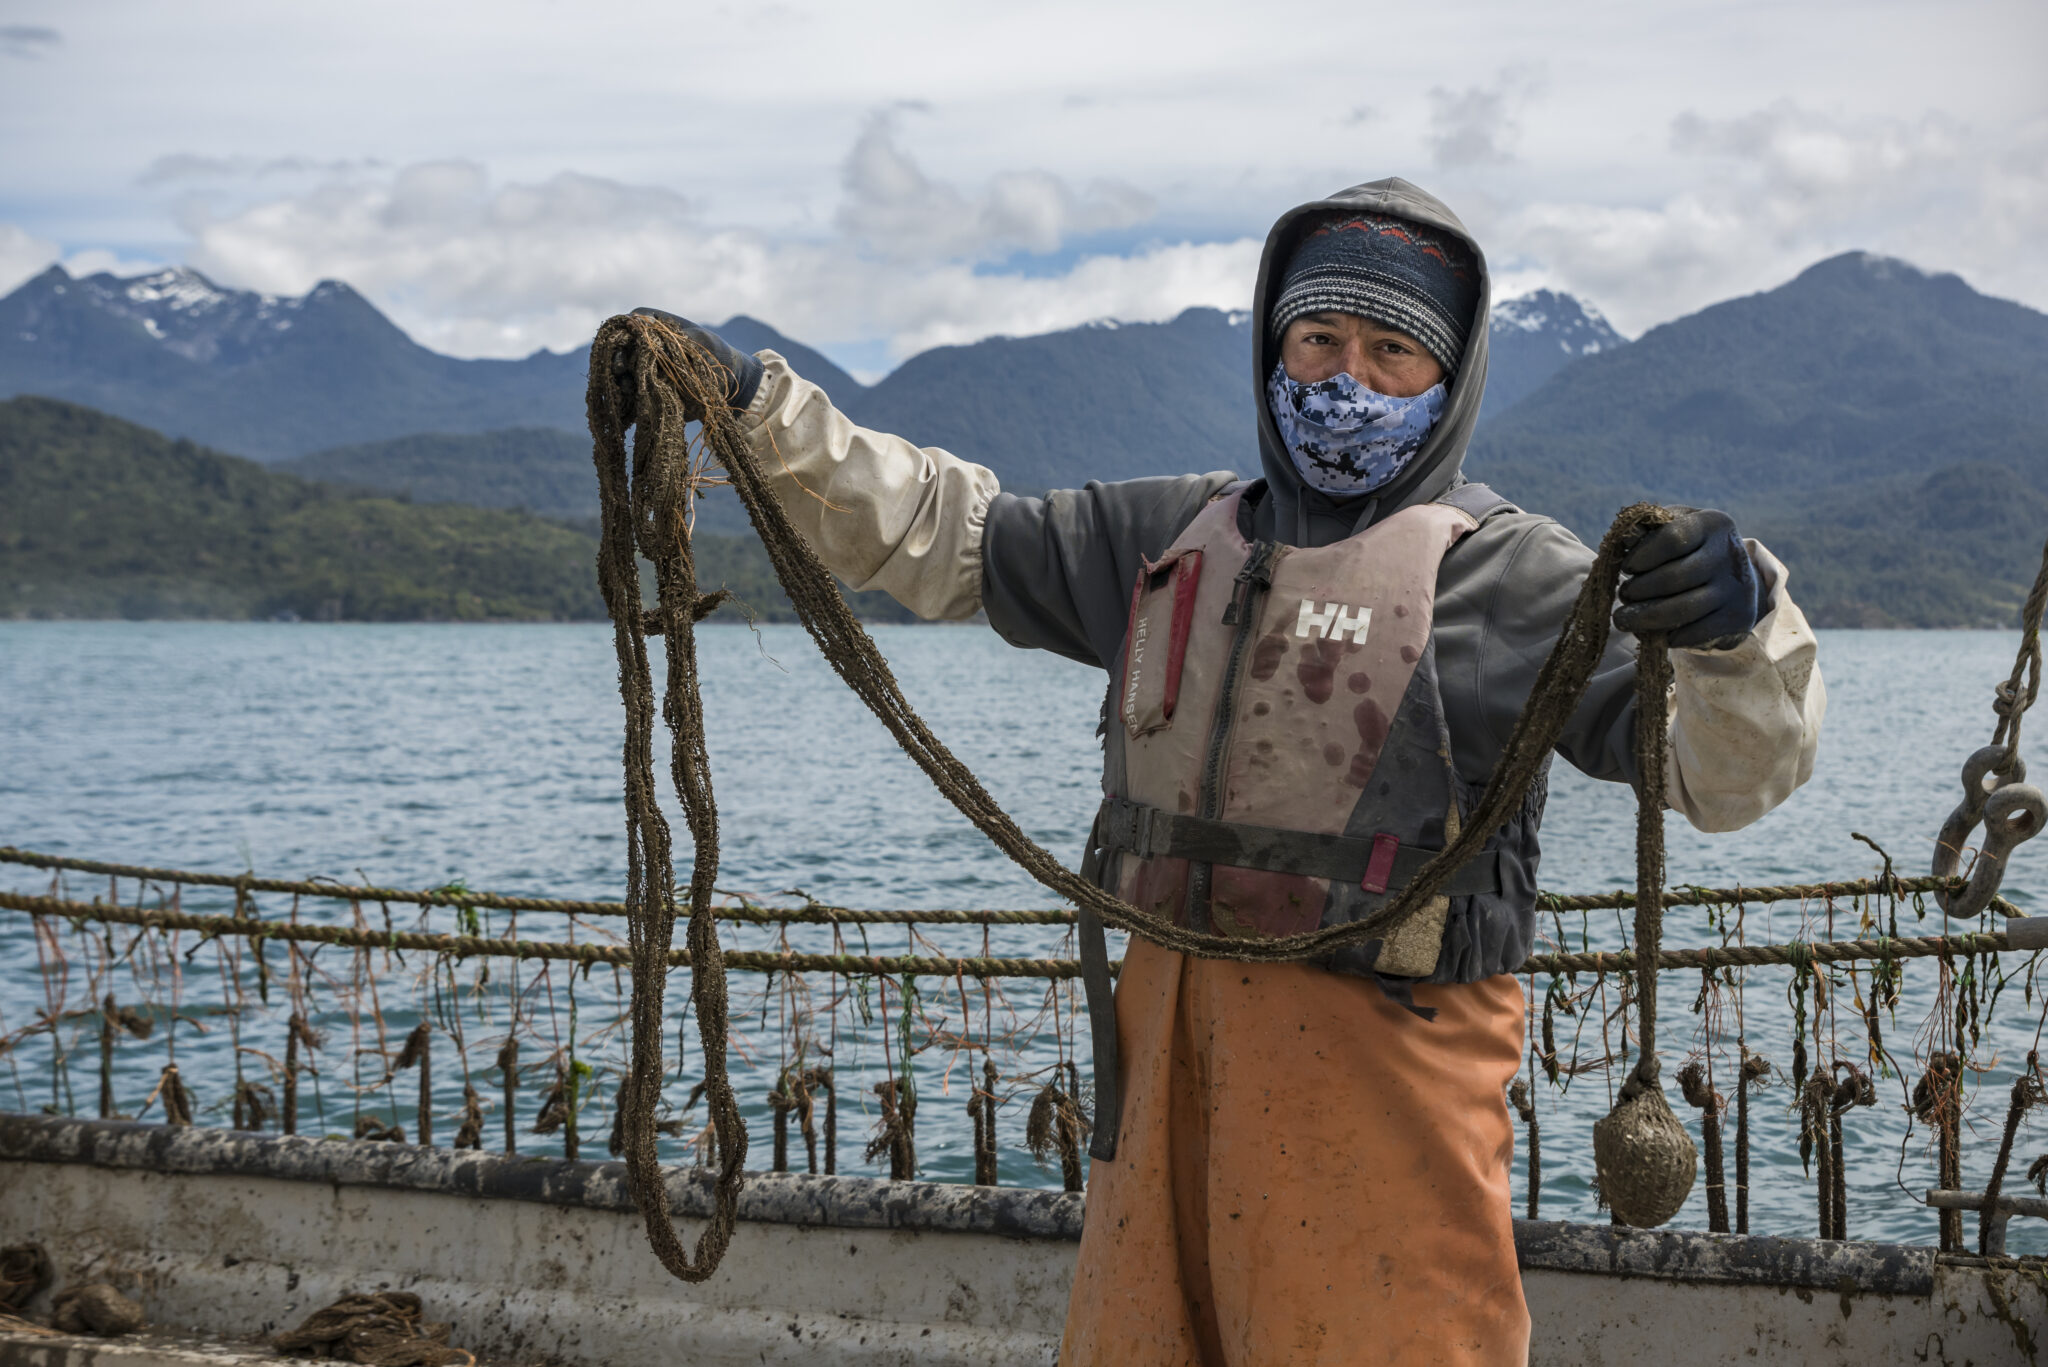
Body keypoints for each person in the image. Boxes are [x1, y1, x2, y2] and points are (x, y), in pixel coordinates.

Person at [630, 176, 1824, 1366]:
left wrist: (1734, 624)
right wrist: (750, 401)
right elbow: (944, 531)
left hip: (1385, 1081)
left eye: (1390, 349)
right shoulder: (1162, 535)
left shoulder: (1515, 579)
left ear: (1448, 378)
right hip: (1160, 1054)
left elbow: (1718, 775)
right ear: (1271, 348)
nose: (1344, 378)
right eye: (1317, 339)